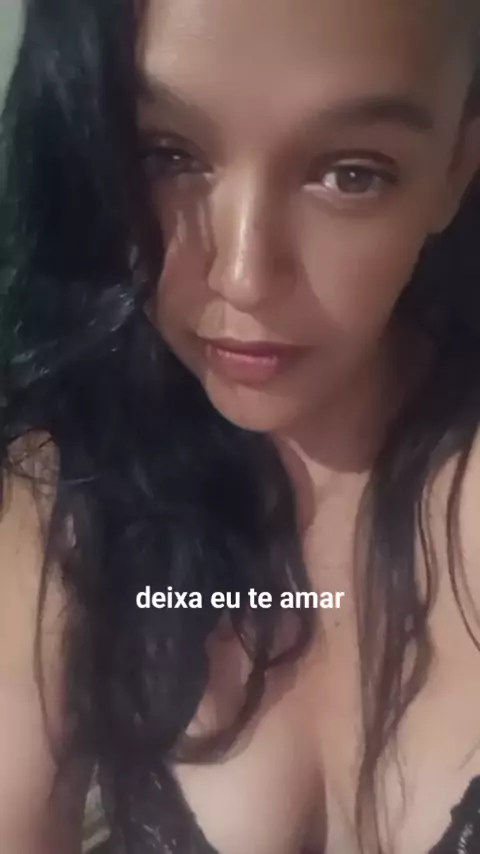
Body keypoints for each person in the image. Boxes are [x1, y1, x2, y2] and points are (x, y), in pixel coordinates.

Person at [1, 0, 480, 851]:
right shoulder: (65, 496)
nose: (245, 275)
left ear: (456, 168)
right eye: (168, 155)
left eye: (352, 173)